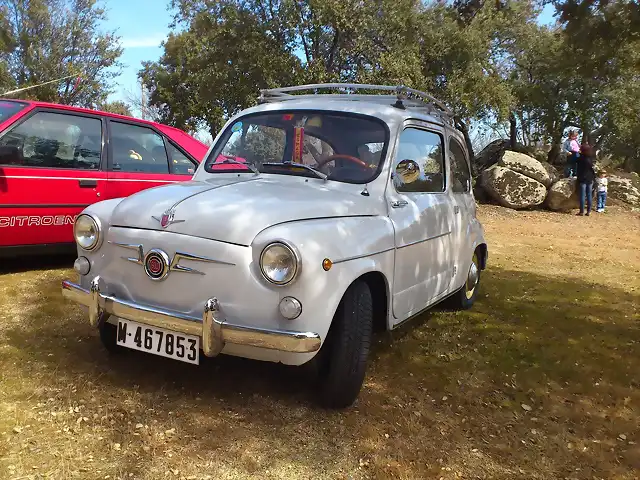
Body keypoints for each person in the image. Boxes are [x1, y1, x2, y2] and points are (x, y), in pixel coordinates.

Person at [576, 143, 596, 216]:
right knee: (589, 195)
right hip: (590, 178)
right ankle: (589, 211)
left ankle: (581, 211)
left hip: (582, 178)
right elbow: (592, 169)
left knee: (582, 195)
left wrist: (578, 154)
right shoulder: (590, 158)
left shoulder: (581, 158)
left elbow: (576, 161)